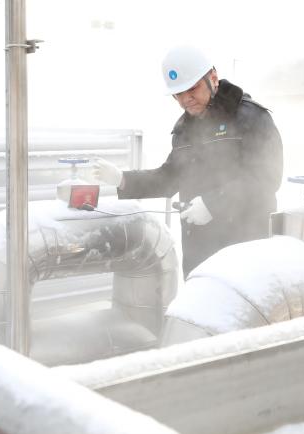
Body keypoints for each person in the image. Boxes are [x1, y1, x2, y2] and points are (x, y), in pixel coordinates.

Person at [93, 45, 283, 278]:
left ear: (213, 78)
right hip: (199, 253)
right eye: (178, 94)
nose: (185, 100)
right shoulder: (185, 128)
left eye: (192, 89)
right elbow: (170, 177)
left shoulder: (251, 118)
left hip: (244, 249)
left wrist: (213, 204)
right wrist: (122, 179)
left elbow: (267, 178)